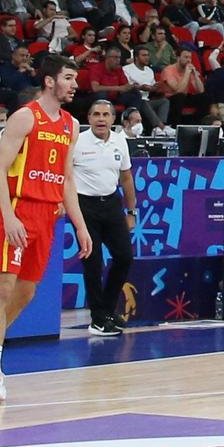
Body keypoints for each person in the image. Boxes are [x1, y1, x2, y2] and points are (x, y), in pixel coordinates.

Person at [0, 55, 90, 406]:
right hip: (16, 209)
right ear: (49, 81)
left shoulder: (71, 125)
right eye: (69, 78)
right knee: (2, 287)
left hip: (47, 215)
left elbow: (67, 180)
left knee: (27, 292)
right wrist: (10, 215)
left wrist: (80, 224)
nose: (75, 85)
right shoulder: (24, 117)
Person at [70, 99, 136, 336]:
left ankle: (108, 309)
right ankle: (98, 319)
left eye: (105, 115)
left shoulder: (120, 141)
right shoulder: (77, 141)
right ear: (88, 119)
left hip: (111, 203)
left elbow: (126, 177)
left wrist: (131, 211)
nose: (101, 119)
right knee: (93, 262)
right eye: (96, 114)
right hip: (84, 205)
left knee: (124, 257)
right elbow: (65, 176)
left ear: (112, 119)